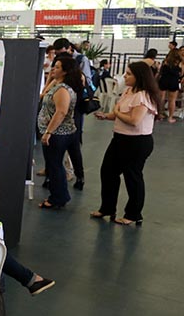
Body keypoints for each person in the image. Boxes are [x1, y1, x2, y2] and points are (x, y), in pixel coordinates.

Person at [92, 62, 162, 226]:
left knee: (133, 177)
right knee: (108, 171)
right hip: (120, 139)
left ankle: (133, 214)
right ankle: (107, 208)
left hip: (137, 142)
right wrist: (107, 115)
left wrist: (115, 112)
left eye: (129, 74)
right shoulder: (129, 91)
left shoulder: (142, 96)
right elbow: (120, 114)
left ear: (139, 77)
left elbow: (134, 121)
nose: (125, 76)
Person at [37, 56, 82, 209]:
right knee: (53, 164)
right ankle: (59, 195)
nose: (53, 69)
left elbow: (61, 112)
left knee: (55, 165)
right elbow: (43, 94)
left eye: (56, 67)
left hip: (59, 134)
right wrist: (51, 77)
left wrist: (49, 131)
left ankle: (58, 197)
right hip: (57, 132)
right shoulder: (57, 84)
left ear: (65, 71)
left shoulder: (63, 89)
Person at [158, 49, 182, 123]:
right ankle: (170, 117)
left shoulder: (165, 61)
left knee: (161, 98)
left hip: (164, 80)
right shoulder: (179, 62)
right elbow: (181, 73)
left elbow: (160, 71)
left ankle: (159, 115)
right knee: (172, 100)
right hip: (173, 81)